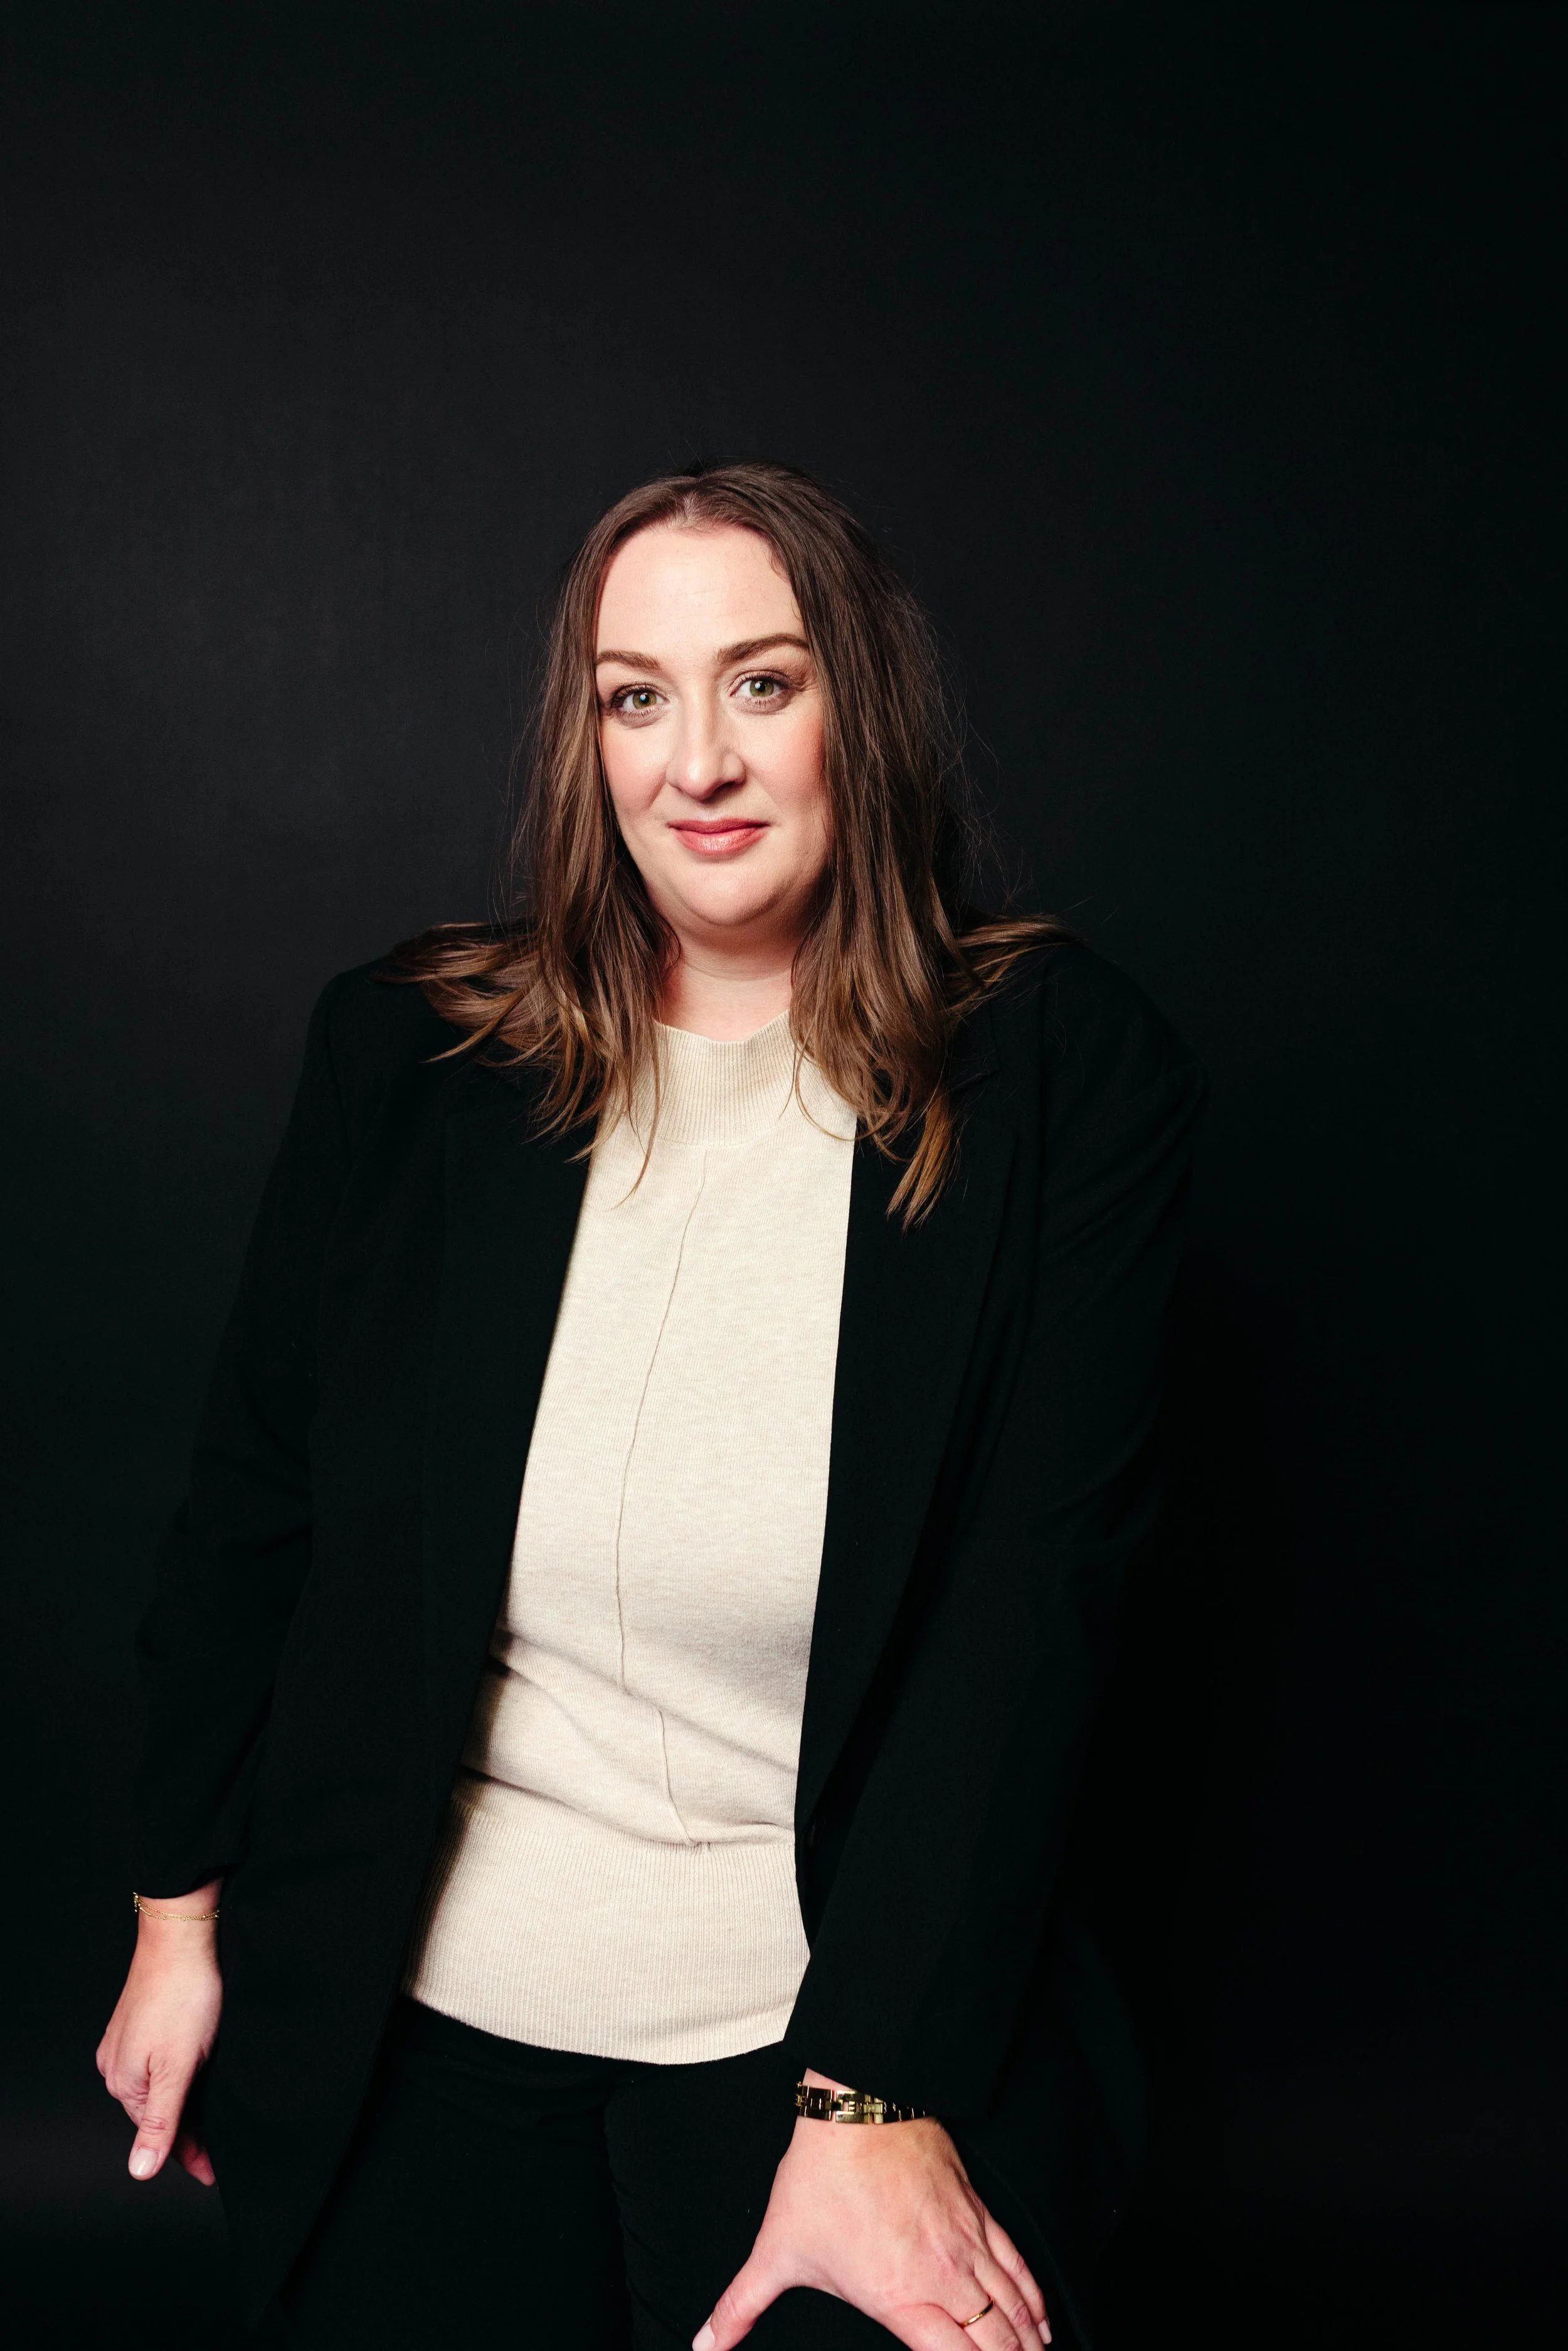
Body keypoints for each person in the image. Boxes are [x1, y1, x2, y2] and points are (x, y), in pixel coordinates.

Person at [97, 462, 1204, 2351]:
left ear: (864, 707)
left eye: (764, 683)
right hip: (434, 1985)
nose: (698, 761)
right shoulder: (414, 1059)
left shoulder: (1056, 1076)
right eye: (637, 696)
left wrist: (870, 2093)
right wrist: (177, 1919)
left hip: (833, 1996)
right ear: (585, 740)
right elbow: (252, 1507)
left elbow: (1031, 1615)